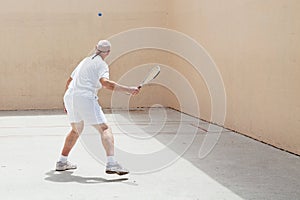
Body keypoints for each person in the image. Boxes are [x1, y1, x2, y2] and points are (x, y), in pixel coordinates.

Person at [56, 40, 140, 175]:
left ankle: (62, 161)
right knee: (104, 128)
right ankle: (112, 163)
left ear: (96, 48)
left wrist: (67, 102)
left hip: (70, 96)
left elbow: (69, 81)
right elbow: (106, 84)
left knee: (75, 130)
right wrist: (128, 90)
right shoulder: (101, 65)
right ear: (108, 53)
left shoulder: (85, 61)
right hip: (85, 97)